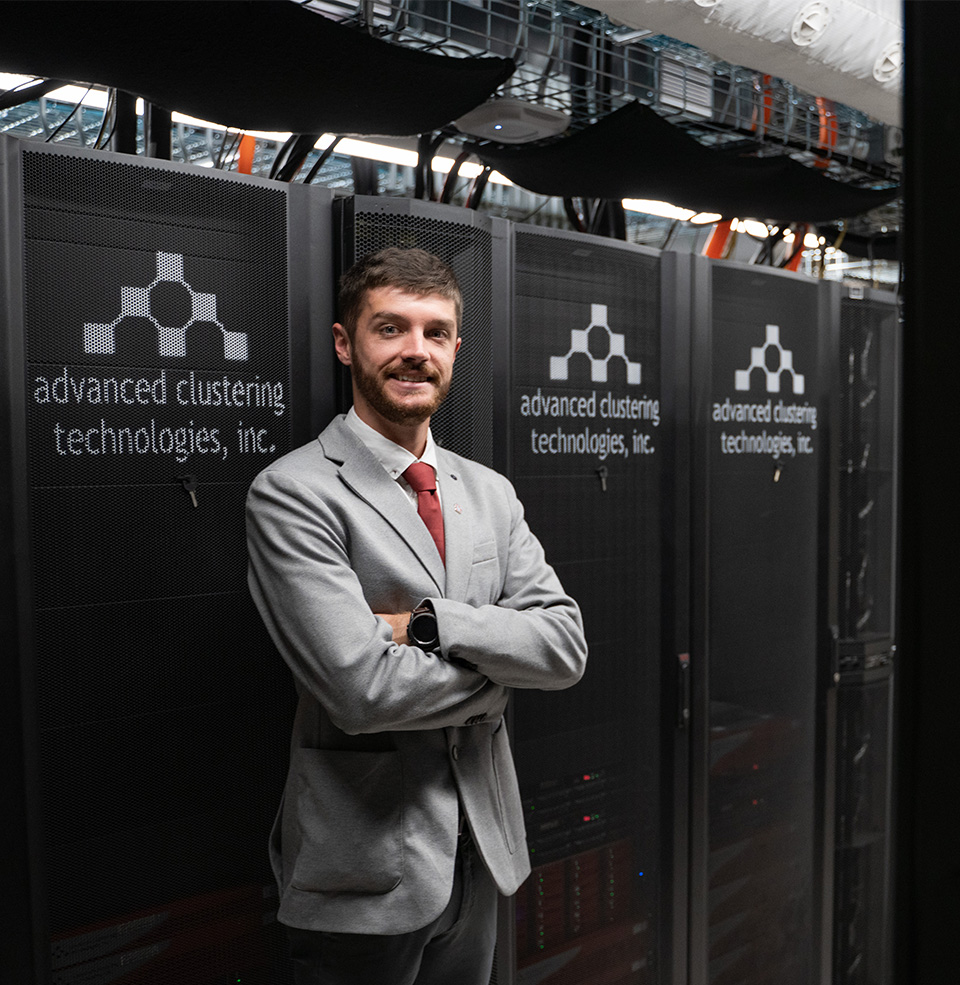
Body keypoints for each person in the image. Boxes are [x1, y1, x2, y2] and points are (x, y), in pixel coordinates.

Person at [246, 247, 587, 985]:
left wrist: (427, 625)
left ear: (456, 350)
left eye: (435, 333)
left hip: (482, 856)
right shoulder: (294, 492)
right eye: (390, 328)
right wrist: (499, 676)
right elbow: (361, 689)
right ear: (346, 342)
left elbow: (563, 645)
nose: (415, 351)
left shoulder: (489, 492)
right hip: (363, 871)